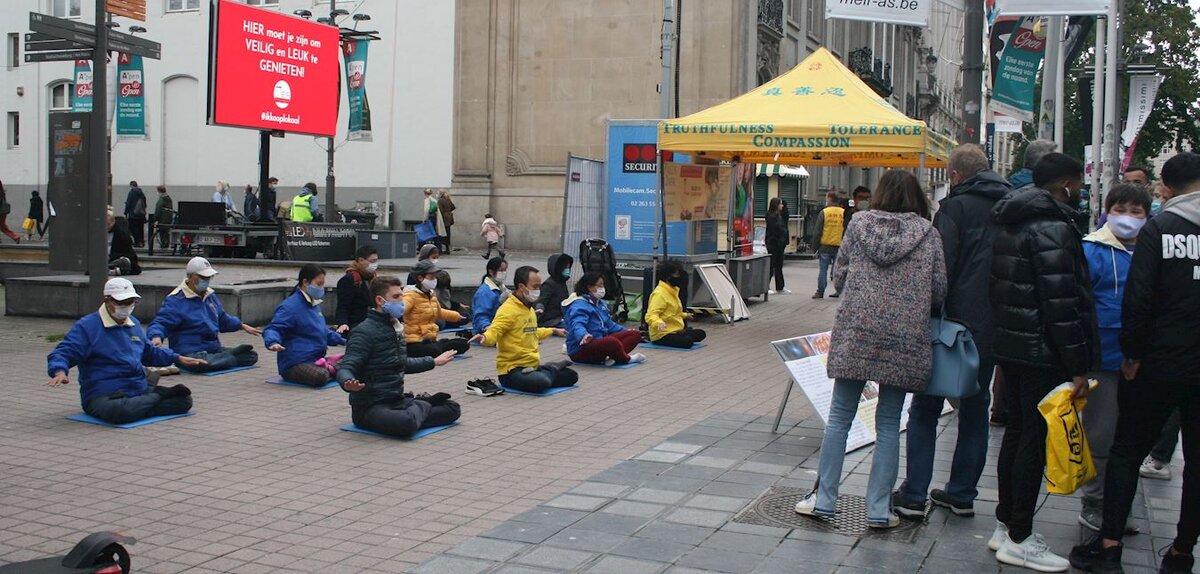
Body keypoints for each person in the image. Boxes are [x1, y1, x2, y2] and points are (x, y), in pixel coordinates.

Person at [1069, 152, 1200, 574]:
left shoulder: (1161, 229)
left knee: (1125, 450)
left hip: (1158, 361)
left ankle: (1108, 546)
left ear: (1165, 188)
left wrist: (1133, 353)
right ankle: (1181, 552)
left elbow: (1139, 300)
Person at [794, 170, 947, 530]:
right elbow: (939, 289)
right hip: (904, 335)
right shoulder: (930, 234)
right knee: (891, 422)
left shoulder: (857, 224)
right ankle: (879, 510)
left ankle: (825, 500)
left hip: (857, 330)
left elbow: (840, 275)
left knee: (839, 418)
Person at [989, 152, 1095, 572]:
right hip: (1041, 350)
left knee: (1016, 434)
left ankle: (1006, 524)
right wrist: (1079, 364)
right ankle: (1019, 535)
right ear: (1066, 185)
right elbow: (1062, 303)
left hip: (1013, 345)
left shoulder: (1011, 219)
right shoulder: (1053, 227)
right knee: (1031, 439)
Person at [895, 144, 1010, 520]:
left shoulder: (955, 208)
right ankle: (962, 493)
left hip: (952, 328)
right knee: (976, 411)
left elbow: (939, 270)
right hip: (995, 326)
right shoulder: (1012, 204)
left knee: (926, 407)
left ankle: (914, 493)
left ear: (956, 176)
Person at [1073, 184, 1152, 534]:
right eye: (1122, 208)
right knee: (1101, 435)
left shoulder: (1153, 251)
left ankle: (1119, 503)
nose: (1129, 217)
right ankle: (1094, 503)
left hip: (1146, 359)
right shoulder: (1092, 250)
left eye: (1137, 211)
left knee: (1132, 436)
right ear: (1107, 211)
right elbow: (1080, 304)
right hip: (1103, 357)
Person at [46, 278, 205, 424]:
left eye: (131, 302)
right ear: (107, 301)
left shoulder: (133, 324)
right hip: (104, 395)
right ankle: (159, 396)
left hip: (136, 390)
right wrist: (60, 370)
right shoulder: (87, 327)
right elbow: (64, 351)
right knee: (121, 411)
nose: (127, 307)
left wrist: (178, 358)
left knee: (184, 401)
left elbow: (149, 352)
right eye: (122, 302)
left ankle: (146, 404)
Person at [336, 276, 461, 438]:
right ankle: (423, 405)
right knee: (407, 423)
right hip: (370, 407)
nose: (401, 301)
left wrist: (434, 361)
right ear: (380, 300)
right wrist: (347, 382)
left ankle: (417, 407)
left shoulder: (396, 327)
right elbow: (346, 367)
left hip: (397, 401)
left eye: (401, 295)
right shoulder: (364, 332)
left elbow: (402, 364)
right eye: (396, 297)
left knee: (452, 408)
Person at [468, 266, 575, 393]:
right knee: (542, 382)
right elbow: (495, 330)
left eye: (539, 287)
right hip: (512, 371)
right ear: (521, 287)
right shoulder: (508, 310)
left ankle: (548, 370)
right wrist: (485, 337)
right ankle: (552, 368)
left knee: (572, 376)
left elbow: (531, 332)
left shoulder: (528, 308)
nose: (538, 290)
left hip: (532, 367)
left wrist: (553, 330)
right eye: (535, 287)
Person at [147, 256, 262, 373]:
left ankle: (225, 357)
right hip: (189, 351)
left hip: (213, 349)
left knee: (251, 356)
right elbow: (161, 322)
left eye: (209, 277)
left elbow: (222, 318)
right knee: (201, 363)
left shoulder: (210, 296)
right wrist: (156, 336)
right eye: (203, 277)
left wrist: (241, 325)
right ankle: (227, 357)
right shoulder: (176, 300)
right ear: (190, 276)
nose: (206, 280)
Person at [263, 264, 347, 387]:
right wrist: (273, 342)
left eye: (322, 284)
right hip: (295, 364)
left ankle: (330, 367)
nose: (321, 288)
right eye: (319, 284)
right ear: (305, 282)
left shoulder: (313, 304)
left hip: (316, 359)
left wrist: (345, 340)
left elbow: (322, 331)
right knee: (320, 376)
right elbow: (274, 328)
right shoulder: (290, 306)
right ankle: (331, 368)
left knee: (353, 358)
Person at [564, 271, 645, 366]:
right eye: (599, 286)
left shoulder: (600, 303)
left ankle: (614, 358)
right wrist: (583, 335)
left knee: (634, 334)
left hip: (599, 342)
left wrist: (625, 331)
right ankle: (626, 359)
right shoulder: (579, 305)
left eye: (603, 285)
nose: (602, 289)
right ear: (589, 287)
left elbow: (609, 324)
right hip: (581, 348)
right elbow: (577, 324)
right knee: (611, 342)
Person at [403, 260, 471, 358]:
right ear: (420, 278)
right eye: (431, 277)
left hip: (429, 337)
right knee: (434, 351)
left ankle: (440, 345)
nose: (434, 280)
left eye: (435, 277)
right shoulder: (410, 295)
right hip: (413, 341)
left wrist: (456, 316)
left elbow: (439, 312)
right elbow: (402, 308)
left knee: (464, 344)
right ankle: (440, 346)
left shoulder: (431, 294)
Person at [646, 260, 706, 348]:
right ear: (668, 277)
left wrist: (686, 315)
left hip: (675, 330)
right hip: (662, 334)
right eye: (677, 274)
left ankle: (681, 335)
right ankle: (681, 336)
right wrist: (658, 323)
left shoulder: (673, 291)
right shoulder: (659, 294)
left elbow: (673, 313)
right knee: (687, 341)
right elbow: (651, 315)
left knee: (701, 333)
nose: (679, 277)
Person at [335, 245, 380, 334]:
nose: (375, 264)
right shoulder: (349, 280)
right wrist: (343, 323)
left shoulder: (373, 278)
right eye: (372, 261)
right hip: (357, 326)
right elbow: (343, 306)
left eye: (376, 261)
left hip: (373, 323)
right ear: (360, 260)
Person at [812, 192, 845, 298]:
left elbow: (817, 231)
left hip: (825, 246)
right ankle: (839, 291)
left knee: (823, 270)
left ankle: (820, 291)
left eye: (827, 199)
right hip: (840, 246)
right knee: (838, 270)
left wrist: (815, 247)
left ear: (830, 199)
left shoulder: (824, 212)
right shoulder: (843, 212)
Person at [472, 257, 510, 333]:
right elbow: (481, 316)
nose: (504, 273)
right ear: (491, 272)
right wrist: (488, 328)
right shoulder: (484, 292)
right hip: (489, 329)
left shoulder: (501, 287)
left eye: (505, 270)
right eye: (501, 270)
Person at [536, 253, 574, 327]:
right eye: (565, 267)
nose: (567, 270)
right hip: (550, 320)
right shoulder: (548, 285)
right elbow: (541, 301)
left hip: (561, 317)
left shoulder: (561, 282)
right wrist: (539, 308)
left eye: (569, 267)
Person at [765, 197, 790, 295]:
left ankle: (780, 287)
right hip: (773, 243)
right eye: (780, 204)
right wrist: (779, 241)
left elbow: (786, 218)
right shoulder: (772, 216)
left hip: (779, 244)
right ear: (776, 205)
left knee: (779, 266)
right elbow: (775, 231)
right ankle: (766, 286)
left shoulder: (780, 215)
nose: (782, 206)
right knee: (771, 266)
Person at [107, 209, 141, 276]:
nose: (106, 227)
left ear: (113, 222)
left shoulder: (121, 236)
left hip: (115, 260)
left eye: (108, 224)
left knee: (125, 263)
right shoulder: (97, 234)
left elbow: (131, 256)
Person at [124, 180, 147, 248]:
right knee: (140, 228)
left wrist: (126, 212)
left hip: (133, 214)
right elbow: (145, 204)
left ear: (131, 185)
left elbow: (128, 203)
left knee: (133, 228)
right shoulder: (141, 193)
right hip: (141, 215)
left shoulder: (131, 193)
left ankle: (137, 242)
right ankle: (142, 242)